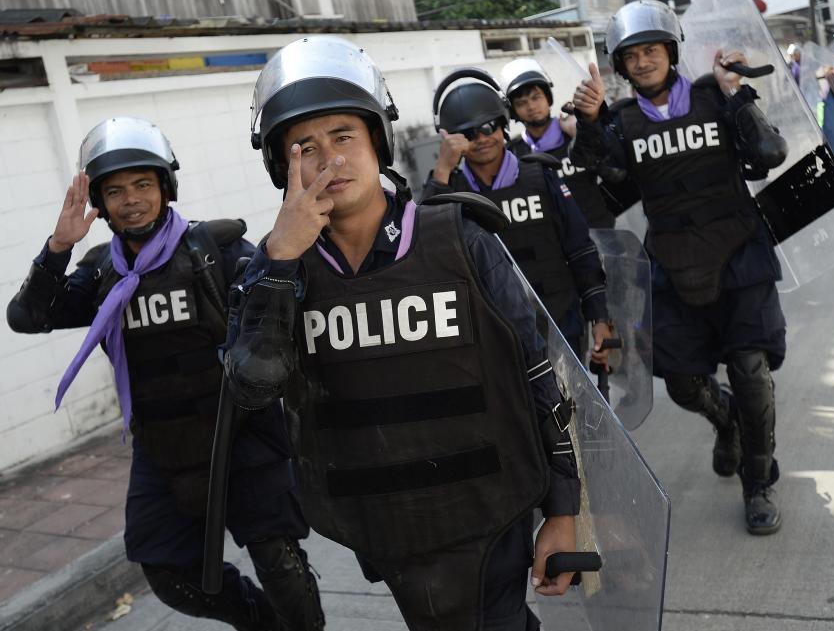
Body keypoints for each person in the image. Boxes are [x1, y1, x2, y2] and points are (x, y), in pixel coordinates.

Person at [226, 35, 580, 631]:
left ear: (375, 142)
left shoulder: (463, 239)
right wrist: (281, 265)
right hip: (382, 527)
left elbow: (535, 372)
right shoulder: (271, 271)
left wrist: (563, 509)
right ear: (281, 166)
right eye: (304, 148)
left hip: (490, 512)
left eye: (343, 137)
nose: (329, 161)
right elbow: (252, 391)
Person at [6, 118, 324, 631]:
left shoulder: (215, 251)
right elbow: (28, 317)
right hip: (161, 445)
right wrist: (57, 249)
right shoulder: (102, 274)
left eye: (142, 185)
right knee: (167, 569)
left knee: (278, 561)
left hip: (242, 435)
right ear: (102, 204)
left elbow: (284, 306)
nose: (131, 200)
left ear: (164, 188)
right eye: (115, 191)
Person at [569, 0, 788, 535]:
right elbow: (611, 185)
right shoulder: (619, 123)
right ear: (620, 67)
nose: (643, 62)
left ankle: (758, 483)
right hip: (671, 261)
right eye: (631, 56)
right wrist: (591, 124)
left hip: (739, 254)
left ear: (671, 52)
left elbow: (769, 152)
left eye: (651, 51)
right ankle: (726, 420)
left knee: (752, 374)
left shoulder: (714, 95)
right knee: (686, 383)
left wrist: (736, 96)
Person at [421, 68, 614, 361]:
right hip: (493, 334)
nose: (482, 138)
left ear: (503, 125)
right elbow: (426, 248)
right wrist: (443, 169)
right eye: (470, 133)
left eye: (489, 126)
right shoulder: (450, 191)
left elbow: (579, 250)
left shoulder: (542, 176)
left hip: (560, 321)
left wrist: (599, 317)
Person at [500, 58, 615, 228]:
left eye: (536, 97)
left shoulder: (575, 131)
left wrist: (586, 131)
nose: (531, 106)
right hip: (553, 243)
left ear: (548, 98)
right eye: (521, 103)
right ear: (513, 111)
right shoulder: (514, 154)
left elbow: (614, 171)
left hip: (600, 233)